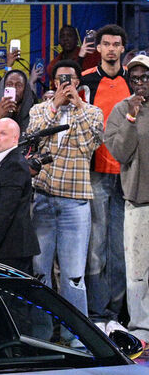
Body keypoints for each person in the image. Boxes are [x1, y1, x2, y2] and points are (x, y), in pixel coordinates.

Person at [27, 60, 104, 316]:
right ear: (53, 82)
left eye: (70, 78)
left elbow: (87, 146)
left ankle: (75, 334)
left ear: (78, 82)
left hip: (75, 202)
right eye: (61, 78)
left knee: (73, 276)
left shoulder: (92, 112)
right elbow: (33, 140)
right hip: (43, 199)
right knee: (40, 272)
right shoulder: (39, 110)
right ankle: (42, 331)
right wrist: (54, 107)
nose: (65, 83)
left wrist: (78, 106)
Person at [82, 24, 132, 334]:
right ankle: (97, 313)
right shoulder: (86, 80)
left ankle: (115, 314)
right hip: (96, 172)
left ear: (123, 48)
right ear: (98, 48)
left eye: (116, 44)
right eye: (107, 44)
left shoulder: (134, 81)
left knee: (120, 249)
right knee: (96, 247)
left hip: (127, 174)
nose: (111, 49)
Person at [104, 54, 149, 343]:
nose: (140, 83)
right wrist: (132, 117)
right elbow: (120, 152)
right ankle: (142, 330)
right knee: (138, 270)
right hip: (138, 200)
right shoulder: (122, 110)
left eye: (145, 77)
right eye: (135, 79)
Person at [0, 119, 40, 274]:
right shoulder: (4, 161)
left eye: (3, 134)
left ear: (15, 138)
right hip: (6, 247)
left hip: (10, 249)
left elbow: (6, 210)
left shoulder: (14, 165)